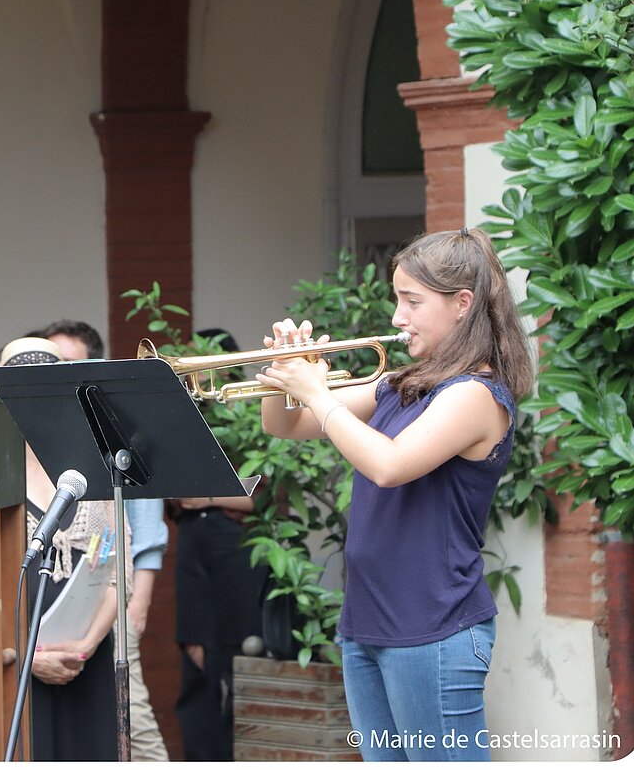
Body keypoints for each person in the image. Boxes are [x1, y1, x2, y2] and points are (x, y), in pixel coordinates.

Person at [254, 227, 533, 762]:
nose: (397, 316)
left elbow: (389, 466)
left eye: (412, 301)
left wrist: (318, 392)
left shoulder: (476, 394)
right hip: (368, 622)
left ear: (462, 304)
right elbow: (285, 427)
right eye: (397, 300)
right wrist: (286, 373)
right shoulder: (403, 383)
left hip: (433, 625)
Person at [41, 318, 170, 762]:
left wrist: (138, 606)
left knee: (134, 723)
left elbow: (147, 530)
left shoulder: (116, 431)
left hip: (113, 601)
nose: (59, 374)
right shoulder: (47, 431)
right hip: (66, 608)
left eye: (69, 363)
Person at [0, 336, 123, 761]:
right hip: (13, 665)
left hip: (86, 660)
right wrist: (25, 656)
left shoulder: (95, 467)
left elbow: (117, 574)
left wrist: (83, 648)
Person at [168, 327, 269, 761]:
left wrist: (208, 498)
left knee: (240, 659)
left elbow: (263, 496)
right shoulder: (188, 419)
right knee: (196, 661)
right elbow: (174, 494)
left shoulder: (249, 419)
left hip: (235, 547)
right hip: (194, 546)